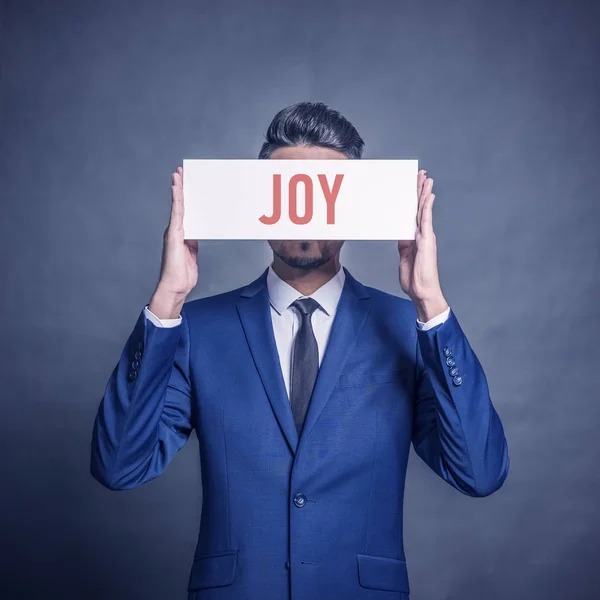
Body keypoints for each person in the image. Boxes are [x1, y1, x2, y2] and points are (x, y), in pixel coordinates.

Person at [90, 101, 509, 600]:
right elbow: (118, 466)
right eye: (287, 193)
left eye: (325, 194)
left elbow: (480, 473)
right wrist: (168, 300)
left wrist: (431, 304)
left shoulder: (409, 328)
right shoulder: (196, 329)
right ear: (258, 204)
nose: (305, 211)